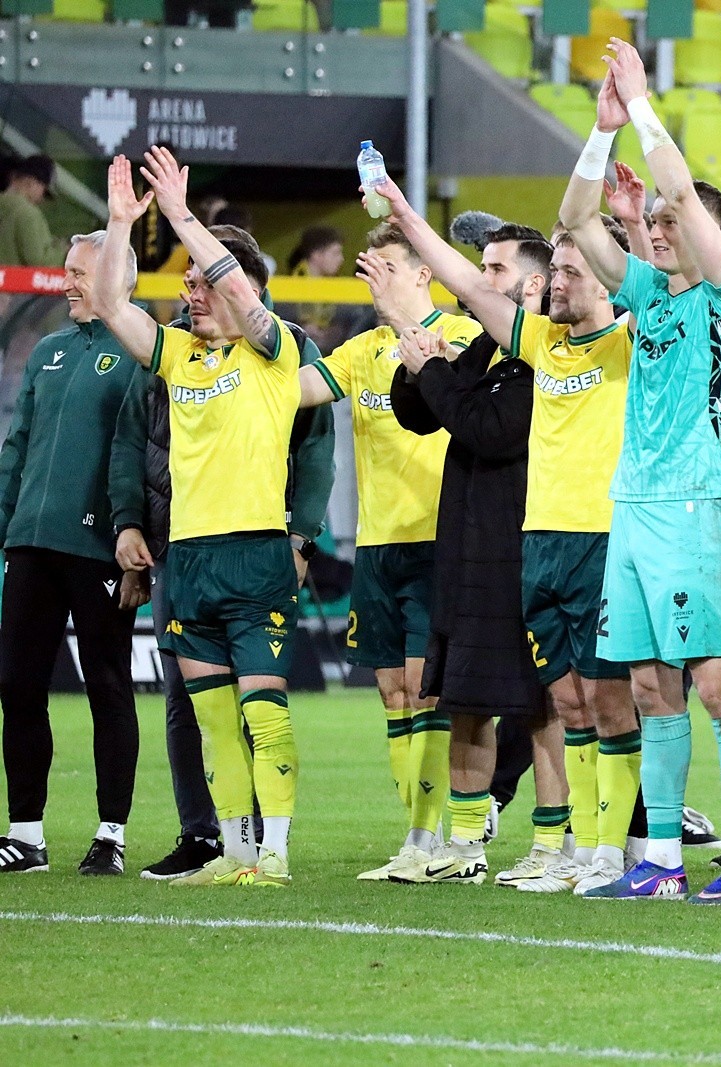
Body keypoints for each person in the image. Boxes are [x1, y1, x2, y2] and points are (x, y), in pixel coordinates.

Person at [382, 177, 647, 899]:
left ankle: (619, 847)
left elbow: (660, 287)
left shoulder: (628, 338)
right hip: (539, 545)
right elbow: (472, 285)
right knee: (569, 706)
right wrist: (404, 212)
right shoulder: (541, 344)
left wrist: (629, 223)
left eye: (570, 271)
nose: (556, 282)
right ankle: (582, 849)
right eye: (554, 269)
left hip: (603, 540)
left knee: (609, 704)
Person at [557, 40, 721, 904]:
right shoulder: (646, 293)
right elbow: (574, 219)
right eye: (652, 223)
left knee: (718, 685)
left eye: (671, 221)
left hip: (695, 506)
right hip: (635, 508)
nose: (657, 226)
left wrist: (644, 106)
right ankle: (662, 863)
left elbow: (678, 191)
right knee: (649, 686)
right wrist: (602, 131)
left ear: (706, 232)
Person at [93, 149, 305, 889]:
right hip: (187, 556)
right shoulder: (178, 355)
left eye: (202, 279)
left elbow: (239, 289)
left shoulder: (274, 351)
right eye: (185, 282)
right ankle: (236, 854)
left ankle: (274, 855)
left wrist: (183, 216)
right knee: (212, 719)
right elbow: (111, 305)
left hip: (254, 554)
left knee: (264, 713)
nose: (193, 291)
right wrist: (121, 223)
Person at [297, 223, 481, 881]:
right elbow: (299, 390)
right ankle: (420, 838)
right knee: (393, 692)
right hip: (378, 546)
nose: (374, 280)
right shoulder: (363, 349)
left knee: (426, 690)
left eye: (388, 269)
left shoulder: (462, 337)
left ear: (424, 274)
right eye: (366, 269)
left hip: (440, 539)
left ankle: (432, 837)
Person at [387, 224, 550, 887]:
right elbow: (420, 413)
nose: (481, 280)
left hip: (518, 548)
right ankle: (462, 845)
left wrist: (432, 370)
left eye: (494, 269)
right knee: (467, 700)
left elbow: (489, 429)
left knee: (543, 704)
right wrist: (416, 362)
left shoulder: (542, 354)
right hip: (467, 547)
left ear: (532, 284)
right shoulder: (485, 347)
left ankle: (560, 843)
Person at [0, 231, 146, 877]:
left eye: (80, 273)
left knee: (108, 686)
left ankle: (110, 834)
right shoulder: (48, 351)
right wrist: (5, 521)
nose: (66, 283)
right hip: (31, 541)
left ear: (118, 279)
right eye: (67, 271)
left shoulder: (143, 350)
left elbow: (146, 454)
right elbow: (18, 443)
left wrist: (136, 534)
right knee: (17, 686)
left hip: (101, 548)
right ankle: (25, 835)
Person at [0, 154, 59, 267]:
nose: (42, 200)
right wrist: (64, 251)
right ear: (30, 182)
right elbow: (39, 262)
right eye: (44, 193)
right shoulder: (28, 214)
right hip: (16, 279)